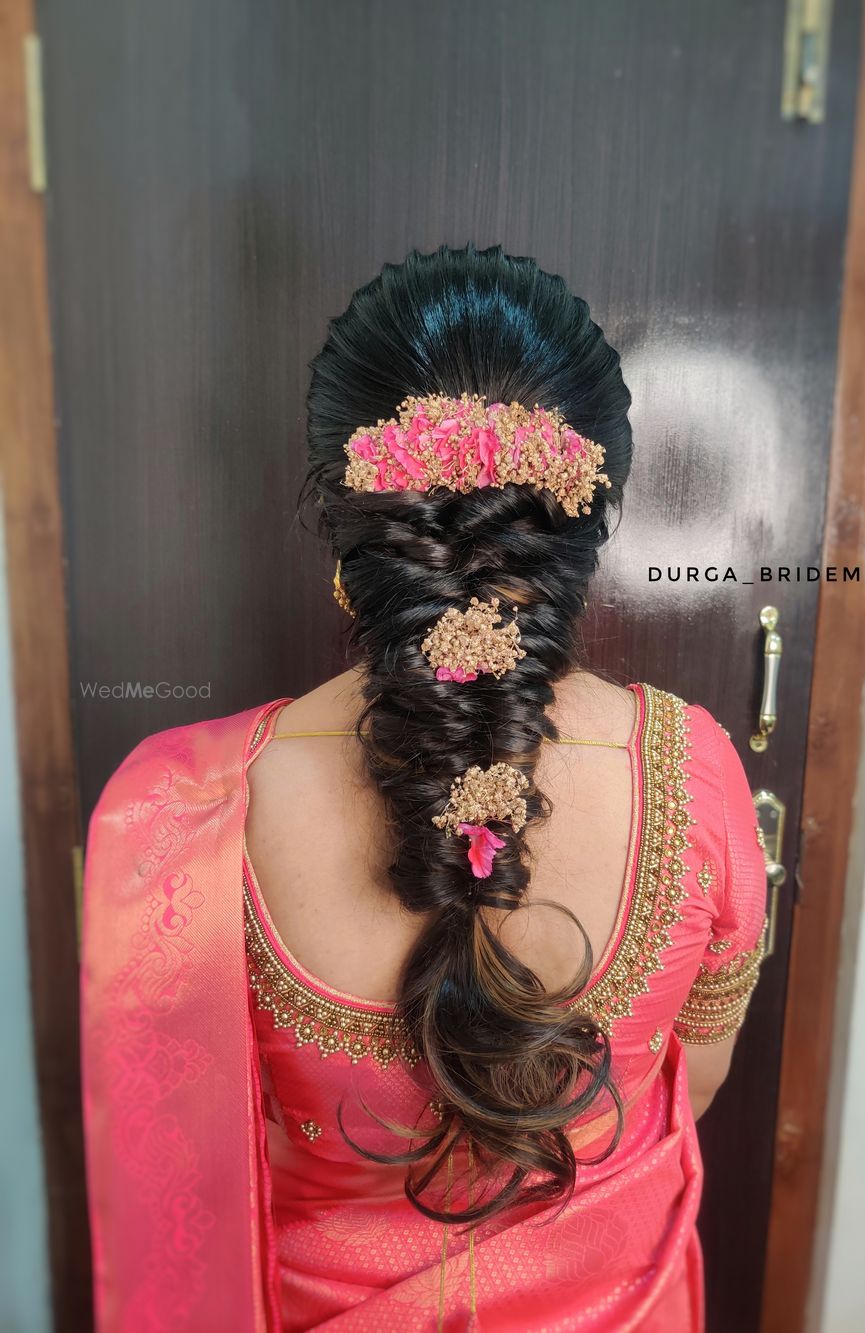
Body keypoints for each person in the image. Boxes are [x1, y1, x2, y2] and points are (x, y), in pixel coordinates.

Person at [80, 243, 768, 1332]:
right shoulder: (698, 776)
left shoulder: (180, 809)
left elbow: (174, 1206)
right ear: (589, 522)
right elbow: (700, 1085)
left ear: (349, 528)